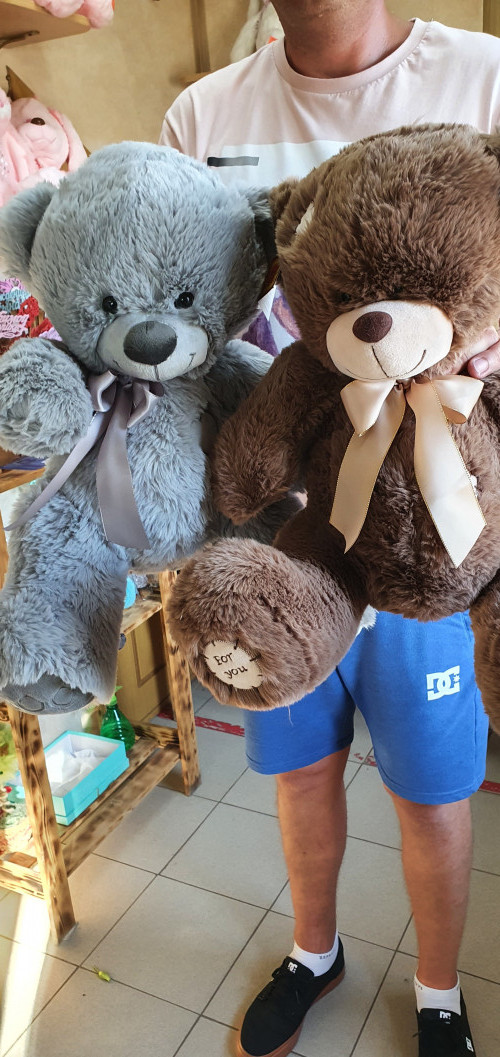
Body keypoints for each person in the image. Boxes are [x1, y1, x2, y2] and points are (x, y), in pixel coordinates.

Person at [160, 4, 500, 1055]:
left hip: (428, 554)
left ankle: (437, 990)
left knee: (431, 794)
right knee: (300, 771)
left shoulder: (485, 78)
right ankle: (316, 952)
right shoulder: (200, 115)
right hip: (282, 558)